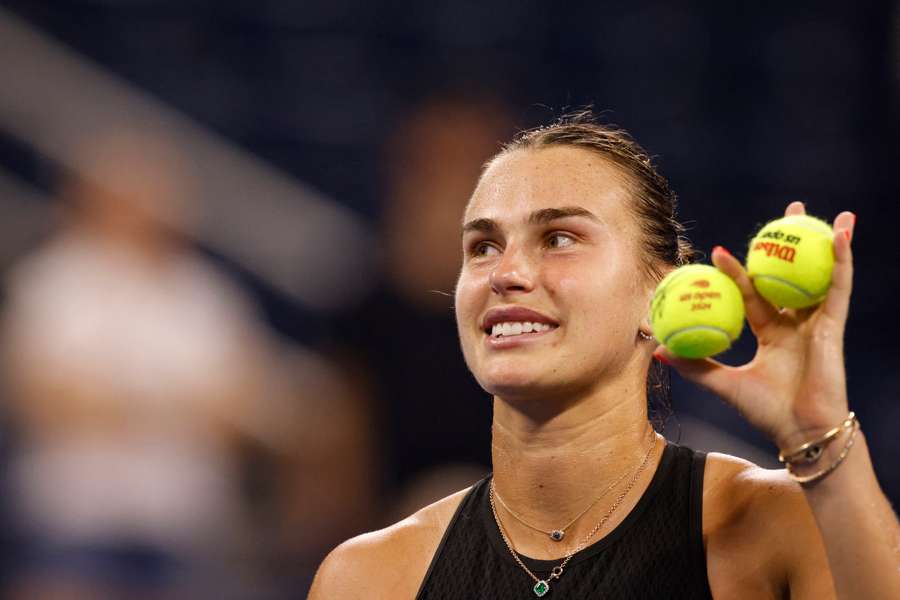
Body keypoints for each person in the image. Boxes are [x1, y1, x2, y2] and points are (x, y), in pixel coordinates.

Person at [309, 111, 900, 599]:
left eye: (559, 238)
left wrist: (819, 438)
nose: (507, 273)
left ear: (658, 295)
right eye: (483, 245)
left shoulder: (778, 525)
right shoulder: (369, 578)